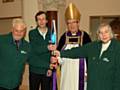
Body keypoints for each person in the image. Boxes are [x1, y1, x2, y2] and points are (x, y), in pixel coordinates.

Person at [52, 23, 120, 90]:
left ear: (110, 33)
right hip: (92, 86)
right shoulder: (93, 46)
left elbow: (118, 75)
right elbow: (77, 51)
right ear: (98, 35)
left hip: (108, 87)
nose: (104, 35)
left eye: (106, 32)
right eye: (101, 33)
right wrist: (60, 53)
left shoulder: (117, 48)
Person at [57, 3, 91, 90]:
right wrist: (57, 58)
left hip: (81, 72)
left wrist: (89, 72)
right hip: (66, 70)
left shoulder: (85, 36)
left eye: (73, 22)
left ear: (78, 23)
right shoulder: (63, 37)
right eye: (69, 23)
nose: (71, 25)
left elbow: (90, 54)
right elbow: (58, 53)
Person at [28, 11, 56, 90]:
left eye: (43, 19)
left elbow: (53, 53)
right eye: (39, 19)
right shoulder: (32, 33)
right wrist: (47, 47)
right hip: (34, 70)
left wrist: (50, 68)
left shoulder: (52, 34)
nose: (41, 21)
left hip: (47, 70)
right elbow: (35, 50)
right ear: (36, 22)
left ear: (47, 20)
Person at [0, 18, 30, 90]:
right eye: (16, 30)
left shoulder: (27, 46)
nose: (19, 33)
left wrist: (49, 64)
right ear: (12, 29)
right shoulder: (1, 40)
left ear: (25, 31)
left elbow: (33, 60)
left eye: (21, 31)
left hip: (15, 84)